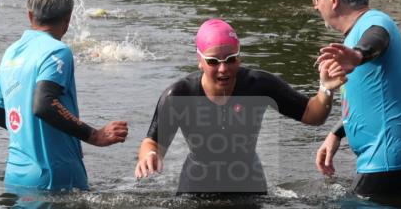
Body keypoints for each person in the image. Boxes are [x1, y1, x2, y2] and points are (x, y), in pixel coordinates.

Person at [135, 18, 345, 194]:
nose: (223, 68)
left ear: (239, 56)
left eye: (231, 59)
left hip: (249, 185)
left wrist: (325, 89)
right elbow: (152, 142)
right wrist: (150, 156)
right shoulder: (180, 95)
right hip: (196, 186)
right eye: (213, 61)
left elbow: (313, 115)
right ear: (199, 60)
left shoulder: (259, 85)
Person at [311, 0, 401, 196]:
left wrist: (358, 55)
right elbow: (370, 100)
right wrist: (336, 134)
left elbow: (378, 38)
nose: (315, 6)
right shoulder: (354, 34)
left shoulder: (374, 22)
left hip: (388, 164)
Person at [0, 0, 128, 191]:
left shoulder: (10, 52)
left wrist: (45, 137)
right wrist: (95, 135)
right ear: (68, 19)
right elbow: (44, 105)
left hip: (15, 177)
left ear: (29, 15)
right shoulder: (57, 51)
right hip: (54, 177)